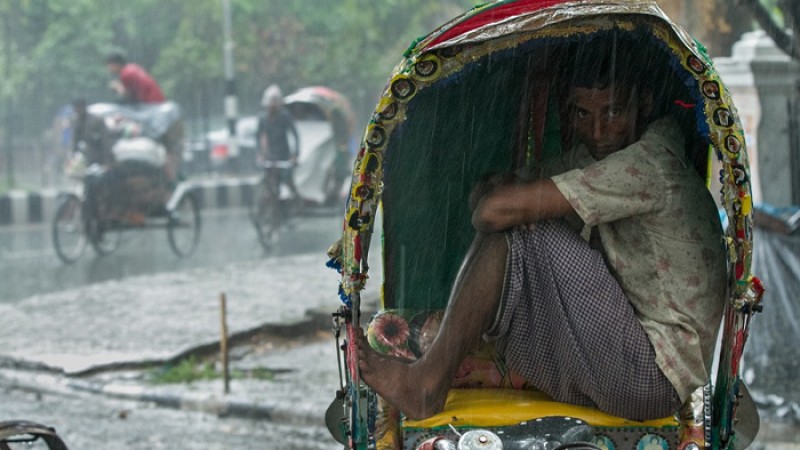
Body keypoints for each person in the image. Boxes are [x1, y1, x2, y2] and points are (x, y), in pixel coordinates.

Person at [356, 33, 728, 422]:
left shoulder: (648, 164)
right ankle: (432, 375)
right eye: (583, 114)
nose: (598, 131)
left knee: (522, 227)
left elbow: (492, 211)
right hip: (623, 359)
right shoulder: (596, 158)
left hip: (651, 377)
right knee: (518, 217)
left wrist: (509, 202)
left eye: (613, 112)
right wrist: (506, 197)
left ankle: (427, 385)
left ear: (644, 104)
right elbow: (489, 192)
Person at [256, 84, 301, 201]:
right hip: (270, 156)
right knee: (268, 181)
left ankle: (296, 199)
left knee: (287, 180)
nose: (272, 106)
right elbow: (259, 137)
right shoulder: (263, 118)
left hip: (284, 156)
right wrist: (260, 153)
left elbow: (295, 135)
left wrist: (295, 154)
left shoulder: (285, 116)